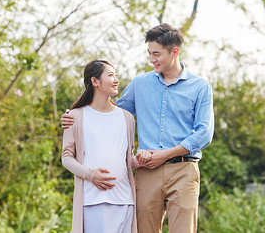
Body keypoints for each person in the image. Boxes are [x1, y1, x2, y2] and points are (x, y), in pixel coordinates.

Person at [61, 24, 214, 233]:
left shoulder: (200, 87)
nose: (152, 59)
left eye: (157, 54)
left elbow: (204, 133)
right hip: (146, 171)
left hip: (183, 170)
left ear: (175, 52)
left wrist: (165, 154)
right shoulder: (140, 83)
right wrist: (75, 117)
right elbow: (110, 113)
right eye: (149, 53)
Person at [61, 59, 151, 233]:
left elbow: (126, 160)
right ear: (95, 81)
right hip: (93, 200)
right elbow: (66, 158)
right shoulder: (75, 116)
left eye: (116, 75)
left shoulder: (127, 118)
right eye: (110, 75)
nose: (116, 79)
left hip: (125, 200)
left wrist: (138, 160)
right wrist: (90, 175)